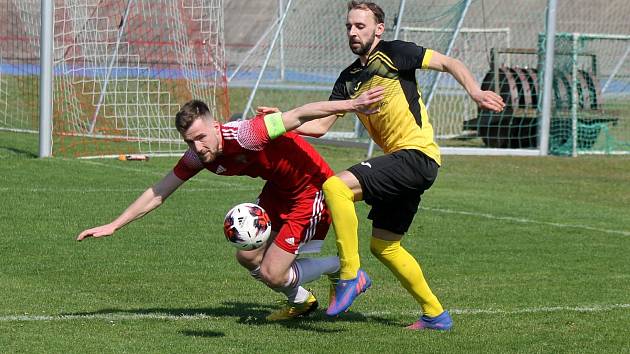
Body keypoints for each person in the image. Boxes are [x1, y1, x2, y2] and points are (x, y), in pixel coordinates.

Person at [76, 88, 384, 321]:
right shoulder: (199, 155)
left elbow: (300, 114)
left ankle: (346, 271)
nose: (197, 147)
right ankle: (302, 301)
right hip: (278, 190)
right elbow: (159, 190)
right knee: (248, 257)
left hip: (311, 189)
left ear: (214, 126)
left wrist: (352, 105)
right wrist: (114, 224)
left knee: (273, 273)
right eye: (189, 142)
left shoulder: (247, 134)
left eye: (200, 137)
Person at [297, 1, 505, 329]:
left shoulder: (395, 53)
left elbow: (449, 62)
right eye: (349, 26)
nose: (353, 32)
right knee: (385, 245)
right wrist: (281, 123)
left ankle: (350, 276)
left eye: (360, 26)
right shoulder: (348, 79)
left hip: (415, 155)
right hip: (405, 163)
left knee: (335, 186)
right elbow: (320, 127)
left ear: (378, 29)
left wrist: (474, 91)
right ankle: (436, 314)